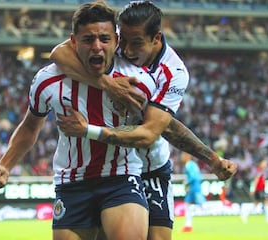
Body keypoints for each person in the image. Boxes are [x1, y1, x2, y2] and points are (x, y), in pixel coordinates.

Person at [51, 1, 237, 240]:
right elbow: (59, 53)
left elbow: (156, 130)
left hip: (151, 168)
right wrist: (107, 84)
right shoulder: (112, 42)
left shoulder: (173, 73)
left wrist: (211, 158)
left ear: (156, 38)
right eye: (123, 40)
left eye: (136, 42)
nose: (126, 50)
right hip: (111, 170)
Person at [0, 1, 158, 240]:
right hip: (72, 181)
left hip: (121, 176)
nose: (97, 47)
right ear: (73, 41)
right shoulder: (48, 81)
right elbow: (29, 127)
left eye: (104, 39)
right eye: (88, 39)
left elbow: (153, 130)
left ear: (116, 42)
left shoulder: (137, 80)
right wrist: (5, 165)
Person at [240, 158, 268, 224]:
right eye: (264, 162)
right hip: (259, 190)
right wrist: (253, 189)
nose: (265, 164)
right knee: (266, 201)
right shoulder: (259, 170)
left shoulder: (261, 170)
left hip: (261, 189)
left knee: (256, 204)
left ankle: (245, 215)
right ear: (261, 163)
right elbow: (256, 180)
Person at [180, 152, 206, 232]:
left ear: (187, 157)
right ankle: (188, 226)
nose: (181, 158)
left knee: (200, 206)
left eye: (183, 156)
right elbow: (198, 177)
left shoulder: (188, 165)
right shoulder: (193, 164)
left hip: (193, 188)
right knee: (191, 205)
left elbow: (193, 177)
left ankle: (188, 226)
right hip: (197, 187)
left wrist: (187, 183)